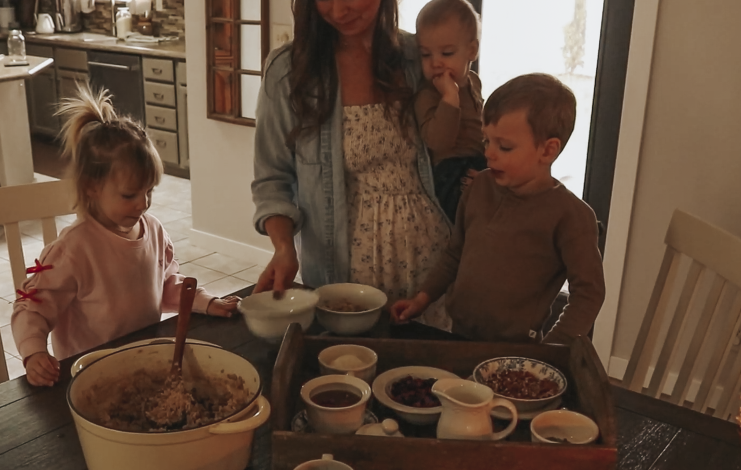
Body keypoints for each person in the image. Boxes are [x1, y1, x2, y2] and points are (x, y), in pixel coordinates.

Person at [12, 87, 239, 387]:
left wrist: (207, 302)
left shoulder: (153, 230)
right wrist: (33, 353)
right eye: (129, 194)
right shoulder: (73, 250)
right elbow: (32, 308)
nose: (142, 203)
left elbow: (168, 285)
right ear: (92, 187)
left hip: (143, 368)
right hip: (90, 379)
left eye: (149, 191)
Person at [251, 0, 452, 329]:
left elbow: (466, 140)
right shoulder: (289, 71)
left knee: (421, 374)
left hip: (432, 265)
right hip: (343, 270)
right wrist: (284, 247)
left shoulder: (421, 57)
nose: (338, 11)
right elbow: (272, 178)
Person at [391, 73, 606, 344]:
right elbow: (454, 254)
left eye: (504, 146)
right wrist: (421, 299)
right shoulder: (478, 187)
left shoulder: (571, 217)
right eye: (486, 141)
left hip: (515, 352)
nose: (490, 153)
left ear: (548, 151)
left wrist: (554, 350)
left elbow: (589, 293)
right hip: (460, 336)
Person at [414, 0, 486, 224]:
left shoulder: (473, 82)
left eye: (446, 53)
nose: (435, 63)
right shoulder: (428, 94)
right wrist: (449, 99)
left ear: (471, 51)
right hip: (450, 171)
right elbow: (438, 142)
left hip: (481, 161)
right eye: (426, 55)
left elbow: (481, 126)